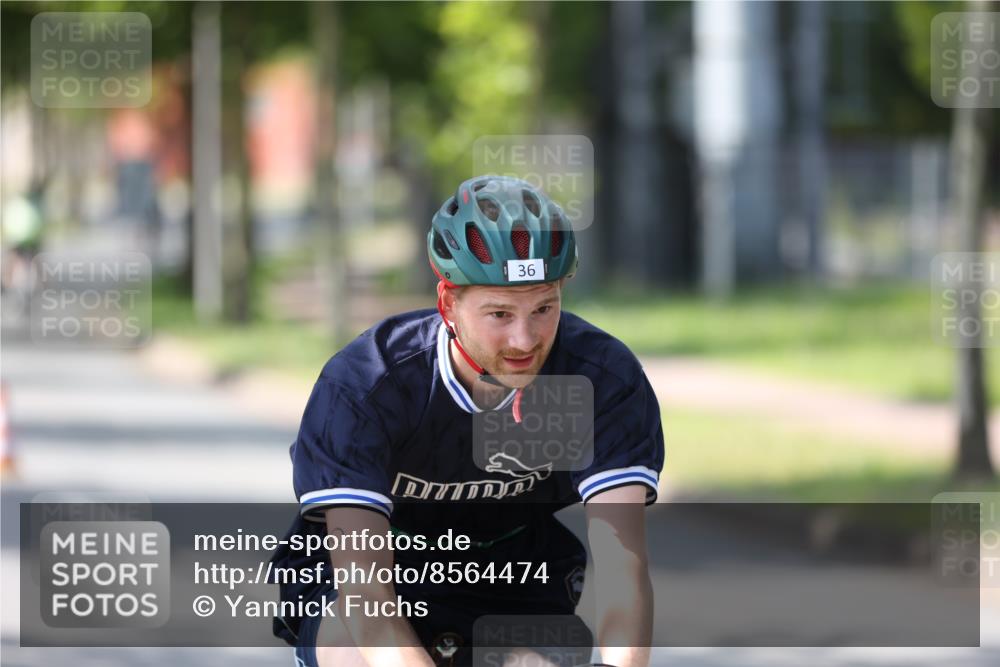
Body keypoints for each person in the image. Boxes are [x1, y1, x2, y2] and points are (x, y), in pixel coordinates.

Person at [270, 175, 664, 667]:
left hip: (511, 576)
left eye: (544, 307)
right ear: (448, 304)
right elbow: (365, 597)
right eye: (499, 314)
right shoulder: (366, 386)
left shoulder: (600, 379)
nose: (525, 340)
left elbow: (621, 566)